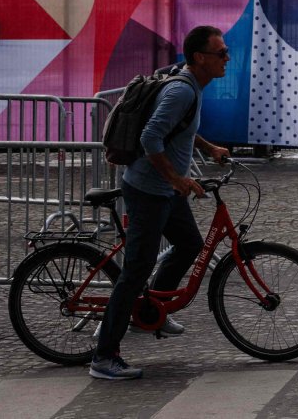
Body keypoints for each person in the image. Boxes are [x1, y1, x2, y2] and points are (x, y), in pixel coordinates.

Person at [90, 25, 233, 382]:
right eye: (221, 53)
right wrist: (177, 179)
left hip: (167, 192)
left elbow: (178, 128)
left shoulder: (192, 87)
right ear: (200, 57)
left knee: (189, 246)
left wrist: (208, 147)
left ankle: (153, 306)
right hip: (149, 191)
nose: (227, 58)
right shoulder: (182, 91)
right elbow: (151, 135)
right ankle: (104, 356)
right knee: (134, 270)